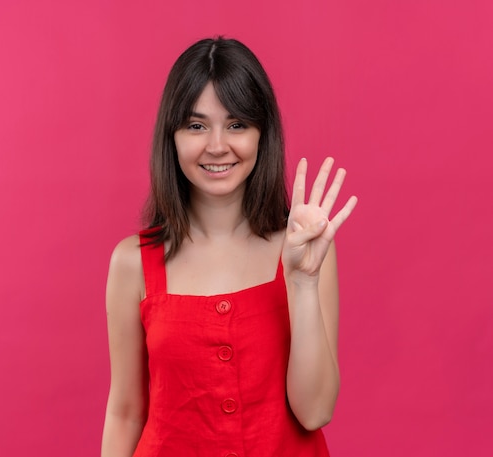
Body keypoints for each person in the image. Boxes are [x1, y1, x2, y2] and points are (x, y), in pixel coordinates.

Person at [101, 37, 357, 457]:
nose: (217, 146)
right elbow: (126, 412)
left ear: (262, 134)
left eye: (237, 124)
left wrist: (304, 282)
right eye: (196, 125)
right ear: (173, 135)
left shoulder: (304, 251)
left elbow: (314, 412)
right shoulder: (133, 262)